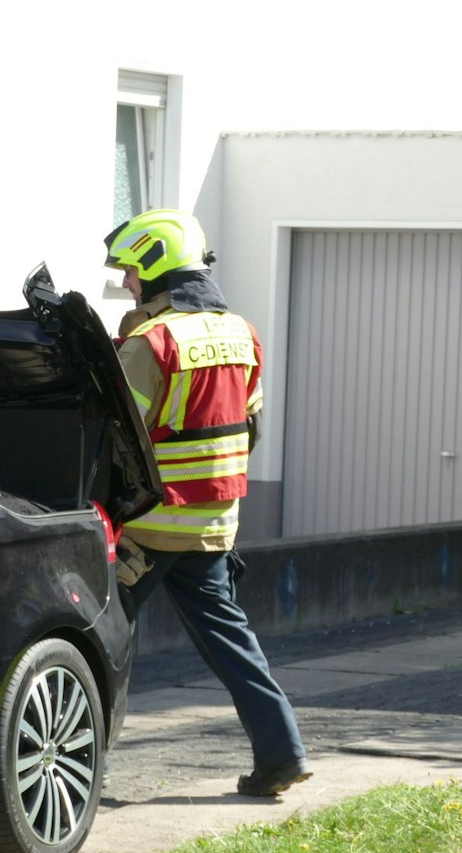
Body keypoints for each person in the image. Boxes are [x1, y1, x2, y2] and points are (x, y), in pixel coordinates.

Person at [103, 208, 311, 797]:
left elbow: (114, 437)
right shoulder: (241, 333)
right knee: (231, 642)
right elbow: (252, 427)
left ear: (155, 267)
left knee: (101, 640)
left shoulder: (153, 341)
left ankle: (89, 769)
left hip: (146, 529)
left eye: (130, 272)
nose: (125, 283)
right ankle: (283, 754)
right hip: (214, 523)